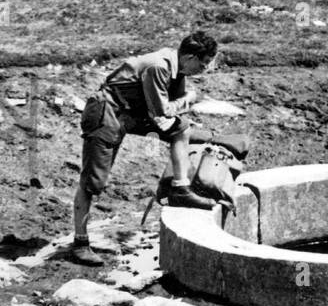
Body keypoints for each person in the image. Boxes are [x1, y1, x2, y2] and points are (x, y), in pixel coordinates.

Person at [71, 30, 218, 266]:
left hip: (131, 113)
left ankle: (180, 189)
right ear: (190, 58)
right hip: (106, 112)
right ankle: (80, 242)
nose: (205, 70)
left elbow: (172, 113)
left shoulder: (177, 69)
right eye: (203, 64)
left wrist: (181, 105)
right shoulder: (158, 67)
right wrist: (189, 99)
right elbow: (161, 111)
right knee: (92, 181)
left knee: (182, 129)